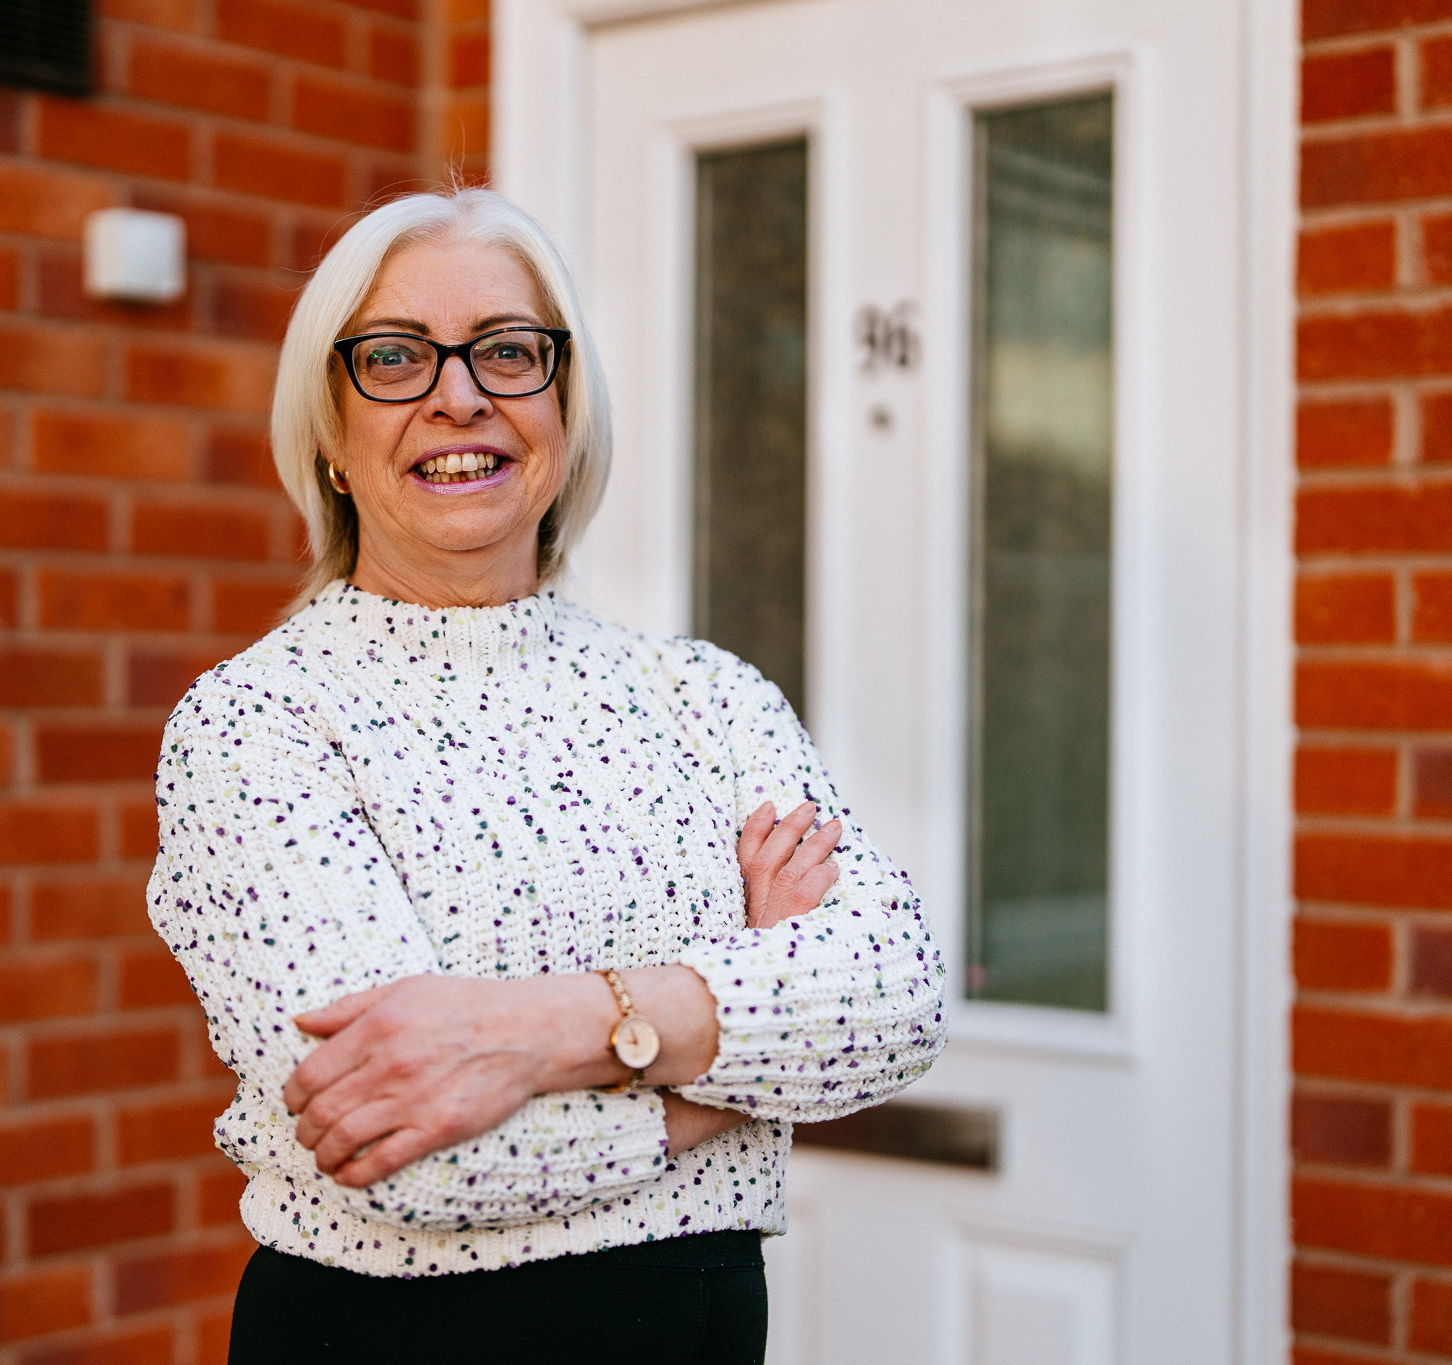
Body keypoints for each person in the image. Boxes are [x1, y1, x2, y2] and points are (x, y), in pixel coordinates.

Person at [146, 185, 944, 1365]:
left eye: (507, 352)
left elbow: (893, 995)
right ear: (326, 426)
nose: (456, 395)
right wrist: (734, 1072)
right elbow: (408, 1154)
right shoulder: (258, 724)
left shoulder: (703, 697)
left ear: (564, 406)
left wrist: (529, 1032)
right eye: (394, 358)